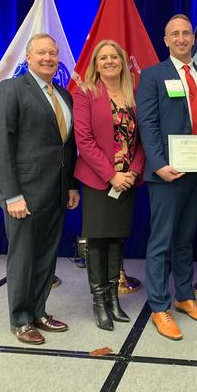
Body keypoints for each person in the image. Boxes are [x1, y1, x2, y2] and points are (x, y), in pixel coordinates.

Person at [136, 14, 197, 340]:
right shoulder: (152, 76)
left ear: (193, 38)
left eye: (186, 33)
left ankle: (185, 297)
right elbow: (148, 124)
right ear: (166, 39)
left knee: (185, 240)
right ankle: (159, 306)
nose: (182, 38)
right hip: (166, 175)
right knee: (161, 242)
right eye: (175, 34)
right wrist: (158, 165)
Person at [0, 33, 80, 345]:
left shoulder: (64, 95)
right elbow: (1, 146)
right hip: (23, 195)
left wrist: (70, 186)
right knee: (24, 257)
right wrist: (11, 194)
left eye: (53, 53)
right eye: (41, 53)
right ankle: (20, 319)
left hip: (56, 192)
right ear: (28, 58)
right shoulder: (11, 89)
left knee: (46, 256)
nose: (48, 58)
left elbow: (67, 148)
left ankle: (39, 311)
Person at [72, 40, 145, 331]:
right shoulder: (86, 93)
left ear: (122, 61)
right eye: (103, 58)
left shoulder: (133, 93)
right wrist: (111, 175)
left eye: (114, 56)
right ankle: (99, 302)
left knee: (117, 238)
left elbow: (141, 140)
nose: (109, 61)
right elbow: (84, 141)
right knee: (98, 240)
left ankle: (114, 298)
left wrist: (133, 172)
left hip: (127, 181)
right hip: (98, 180)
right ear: (96, 64)